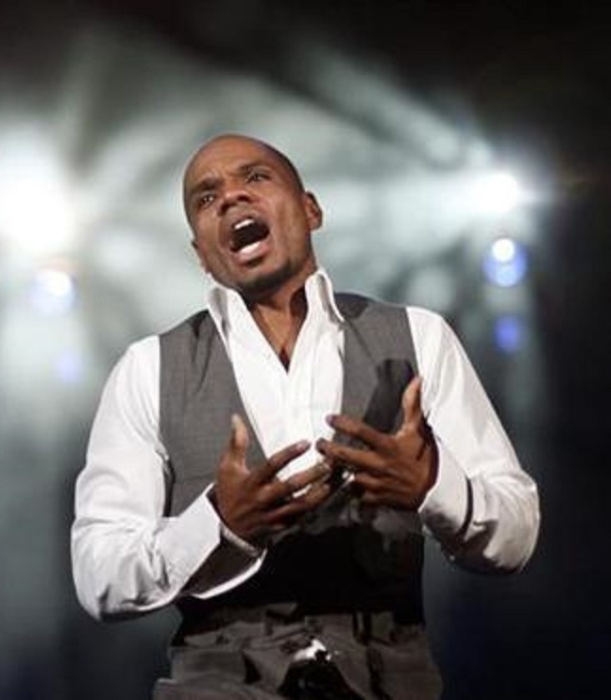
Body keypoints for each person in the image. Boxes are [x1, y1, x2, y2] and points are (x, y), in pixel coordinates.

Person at [71, 134, 540, 699]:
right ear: (200, 251)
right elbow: (99, 575)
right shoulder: (148, 368)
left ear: (311, 210)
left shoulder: (418, 337)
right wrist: (220, 523)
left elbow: (516, 534)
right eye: (205, 197)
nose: (230, 199)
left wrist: (432, 485)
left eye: (256, 178)